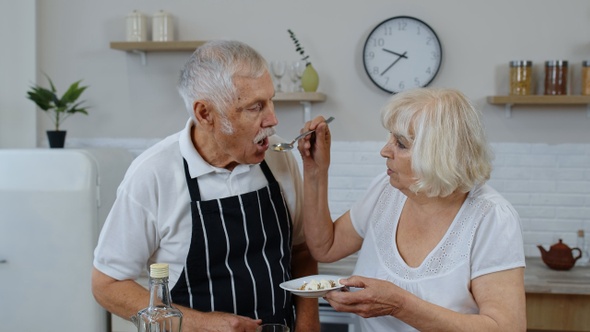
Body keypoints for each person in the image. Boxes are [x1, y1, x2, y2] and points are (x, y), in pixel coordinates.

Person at [92, 40, 320, 332]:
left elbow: (301, 252)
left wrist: (308, 324)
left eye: (270, 100)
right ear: (205, 114)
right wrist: (198, 323)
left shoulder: (279, 159)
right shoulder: (153, 174)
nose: (273, 120)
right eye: (255, 107)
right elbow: (106, 284)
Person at [297, 88, 526, 331]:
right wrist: (315, 171)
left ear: (439, 155)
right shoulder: (386, 190)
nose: (385, 151)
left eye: (401, 144)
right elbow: (325, 247)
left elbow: (506, 327)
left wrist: (399, 305)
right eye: (390, 138)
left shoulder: (492, 218)